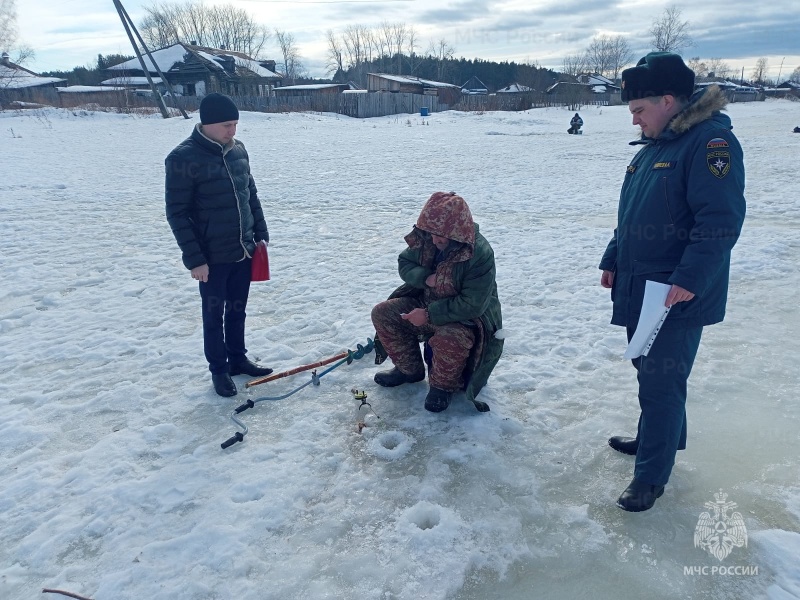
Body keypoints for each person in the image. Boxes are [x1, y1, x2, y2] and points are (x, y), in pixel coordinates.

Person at [599, 53, 746, 511]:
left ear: (668, 100)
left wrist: (687, 278)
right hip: (643, 286)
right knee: (650, 371)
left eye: (640, 110)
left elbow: (720, 221)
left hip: (673, 293)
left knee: (662, 383)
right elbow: (632, 216)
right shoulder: (657, 146)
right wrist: (613, 256)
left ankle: (651, 477)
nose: (636, 120)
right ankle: (657, 440)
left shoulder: (709, 144)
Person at [165, 93, 273, 398]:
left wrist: (260, 234)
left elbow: (250, 194)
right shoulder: (182, 158)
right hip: (211, 257)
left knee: (238, 310)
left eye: (236, 124)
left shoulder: (238, 151)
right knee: (214, 316)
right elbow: (177, 212)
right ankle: (219, 369)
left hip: (242, 249)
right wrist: (195, 259)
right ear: (208, 124)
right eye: (227, 125)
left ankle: (237, 359)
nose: (233, 131)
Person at [371, 192, 503, 413]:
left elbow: (473, 304)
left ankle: (442, 388)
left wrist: (429, 315)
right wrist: (424, 277)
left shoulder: (479, 253)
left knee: (449, 338)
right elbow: (405, 262)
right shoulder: (428, 237)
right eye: (432, 234)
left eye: (441, 236)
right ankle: (408, 370)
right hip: (426, 303)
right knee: (383, 314)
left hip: (467, 320)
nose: (435, 240)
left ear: (458, 232)